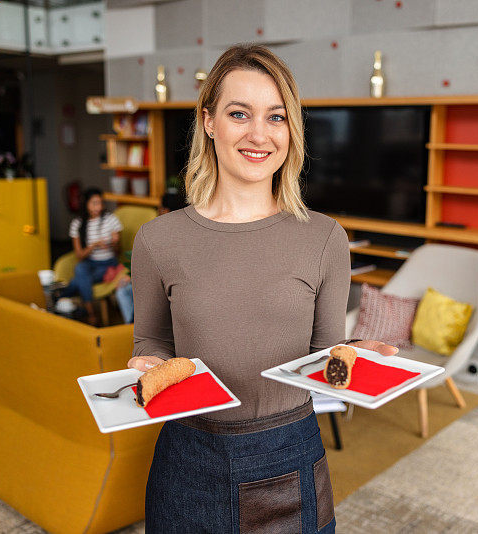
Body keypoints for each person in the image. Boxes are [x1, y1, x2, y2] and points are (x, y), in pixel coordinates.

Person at [127, 44, 398, 533]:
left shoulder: (325, 238)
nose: (259, 135)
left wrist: (358, 355)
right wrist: (145, 365)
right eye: (239, 114)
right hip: (187, 460)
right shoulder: (157, 240)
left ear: (291, 130)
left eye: (276, 117)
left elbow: (323, 354)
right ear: (209, 122)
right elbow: (151, 342)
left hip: (289, 456)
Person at [113, 192, 187, 324]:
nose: (159, 212)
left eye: (160, 209)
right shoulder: (180, 230)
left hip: (166, 286)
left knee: (126, 292)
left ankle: (135, 327)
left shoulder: (163, 234)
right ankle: (133, 326)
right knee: (124, 291)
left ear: (165, 210)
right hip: (165, 284)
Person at [58, 187, 123, 326]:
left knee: (80, 278)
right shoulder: (77, 224)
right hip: (89, 262)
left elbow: (118, 251)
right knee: (81, 268)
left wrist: (115, 243)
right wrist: (93, 246)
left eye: (100, 203)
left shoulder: (111, 220)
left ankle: (61, 298)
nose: (98, 207)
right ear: (86, 204)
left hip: (108, 263)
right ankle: (91, 312)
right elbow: (79, 255)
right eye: (94, 203)